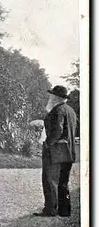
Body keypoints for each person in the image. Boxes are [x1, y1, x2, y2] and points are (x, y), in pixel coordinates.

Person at [34, 85, 77, 217]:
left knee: (50, 180)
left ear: (56, 97)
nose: (50, 98)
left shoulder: (57, 110)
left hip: (56, 151)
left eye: (51, 95)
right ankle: (64, 210)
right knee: (63, 182)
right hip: (68, 151)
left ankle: (50, 210)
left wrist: (47, 143)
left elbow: (57, 130)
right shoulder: (71, 111)